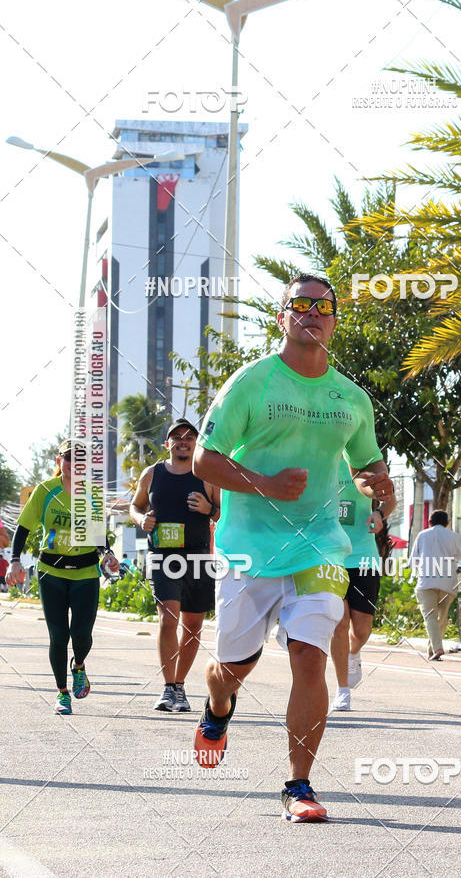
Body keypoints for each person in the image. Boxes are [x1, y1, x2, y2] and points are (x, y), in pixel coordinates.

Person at [192, 273, 395, 822]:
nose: (312, 312)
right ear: (282, 316)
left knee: (309, 657)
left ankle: (299, 786)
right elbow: (203, 460)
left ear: (334, 319)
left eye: (323, 306)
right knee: (231, 666)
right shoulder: (251, 383)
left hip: (321, 546)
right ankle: (217, 707)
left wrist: (382, 482)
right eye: (299, 304)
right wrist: (266, 484)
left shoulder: (350, 398)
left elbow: (367, 460)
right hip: (248, 547)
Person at [6, 440, 119, 714]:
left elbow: (96, 533)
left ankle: (78, 665)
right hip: (51, 572)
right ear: (59, 462)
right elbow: (23, 527)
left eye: (80, 459)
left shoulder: (91, 493)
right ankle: (62, 693)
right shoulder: (45, 491)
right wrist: (14, 560)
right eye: (69, 458)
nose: (74, 463)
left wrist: (108, 554)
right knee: (58, 636)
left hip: (84, 573)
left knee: (82, 635)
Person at [130, 418, 220, 713]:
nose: (184, 441)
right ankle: (168, 688)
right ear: (168, 444)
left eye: (189, 437)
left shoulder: (206, 474)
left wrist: (210, 509)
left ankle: (179, 687)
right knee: (168, 619)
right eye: (177, 437)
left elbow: (226, 512)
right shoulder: (152, 474)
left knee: (193, 626)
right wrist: (141, 520)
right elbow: (135, 505)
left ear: (196, 443)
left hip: (197, 557)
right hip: (163, 557)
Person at [330, 460, 397, 711]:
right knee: (340, 623)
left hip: (364, 556)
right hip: (331, 555)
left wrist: (379, 514)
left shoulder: (362, 461)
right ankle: (342, 690)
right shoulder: (321, 459)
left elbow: (390, 500)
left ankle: (353, 653)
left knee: (362, 630)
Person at [410, 509, 461, 660]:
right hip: (448, 582)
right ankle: (434, 651)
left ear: (429, 522)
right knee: (441, 619)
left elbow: (414, 561)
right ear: (447, 523)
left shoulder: (422, 535)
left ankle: (437, 648)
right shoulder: (453, 536)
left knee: (430, 617)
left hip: (426, 581)